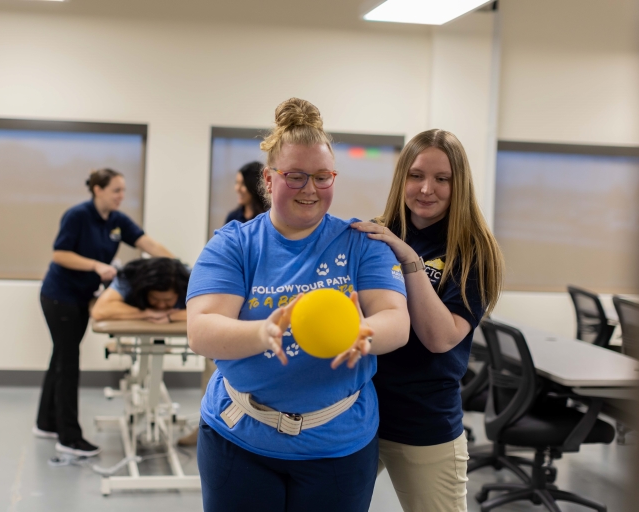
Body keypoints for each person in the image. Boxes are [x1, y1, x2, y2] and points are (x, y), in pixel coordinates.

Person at [186, 98, 410, 512]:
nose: (310, 188)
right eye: (295, 175)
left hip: (339, 445)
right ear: (269, 181)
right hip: (241, 440)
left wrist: (366, 331)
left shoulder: (362, 242)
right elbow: (201, 330)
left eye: (323, 176)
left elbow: (397, 321)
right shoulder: (233, 245)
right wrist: (261, 331)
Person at [352, 129, 504, 512]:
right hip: (359, 415)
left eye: (442, 179)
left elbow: (439, 337)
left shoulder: (473, 251)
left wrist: (409, 261)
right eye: (416, 175)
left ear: (459, 185)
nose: (426, 189)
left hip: (424, 423)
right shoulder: (376, 235)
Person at [35, 168, 174, 457]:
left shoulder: (117, 220)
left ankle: (46, 422)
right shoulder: (77, 216)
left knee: (61, 357)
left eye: (123, 191)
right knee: (68, 362)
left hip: (82, 297)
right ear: (98, 190)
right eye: (116, 190)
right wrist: (96, 265)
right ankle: (68, 438)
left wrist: (179, 267)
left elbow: (147, 244)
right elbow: (59, 254)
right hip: (60, 297)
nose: (121, 196)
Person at [178, 160, 269, 447]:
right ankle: (211, 421)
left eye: (241, 183)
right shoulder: (234, 219)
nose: (237, 188)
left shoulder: (273, 216)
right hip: (232, 310)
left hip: (263, 308)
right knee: (215, 370)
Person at [90, 257, 189, 323]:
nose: (161, 305)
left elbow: (204, 314)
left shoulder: (191, 279)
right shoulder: (130, 276)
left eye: (168, 300)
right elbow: (99, 310)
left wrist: (171, 316)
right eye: (155, 298)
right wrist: (148, 313)